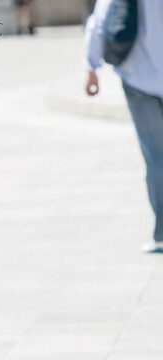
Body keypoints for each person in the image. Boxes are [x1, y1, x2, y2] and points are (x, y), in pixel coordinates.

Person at [84, 0, 163, 253]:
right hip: (137, 78)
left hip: (139, 78)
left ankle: (162, 233)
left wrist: (91, 66)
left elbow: (100, 21)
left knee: (156, 158)